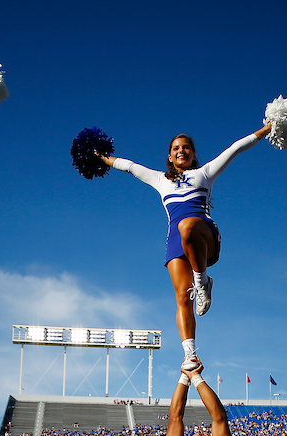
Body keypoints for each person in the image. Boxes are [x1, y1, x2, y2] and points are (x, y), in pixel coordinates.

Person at [99, 123, 271, 373]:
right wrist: (99, 156)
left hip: (204, 234)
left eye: (186, 147)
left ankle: (202, 281)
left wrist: (266, 129)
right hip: (174, 243)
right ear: (170, 156)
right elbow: (128, 166)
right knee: (182, 296)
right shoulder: (159, 179)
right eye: (176, 148)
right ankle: (189, 353)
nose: (181, 151)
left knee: (187, 226)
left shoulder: (205, 173)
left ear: (193, 153)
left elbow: (236, 148)